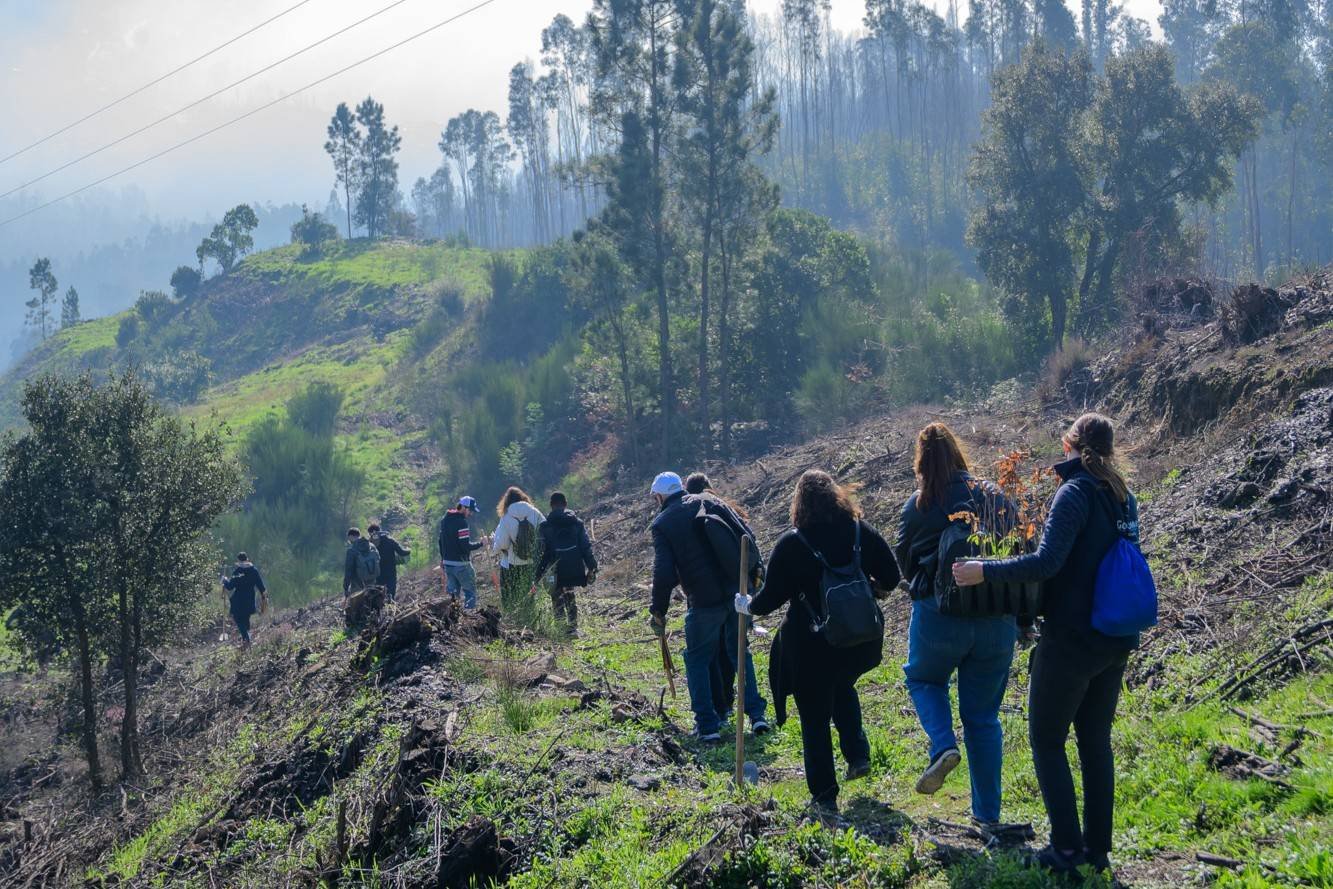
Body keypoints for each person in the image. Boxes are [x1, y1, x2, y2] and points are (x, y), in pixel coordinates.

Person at [953, 413, 1140, 877]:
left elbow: (1046, 562)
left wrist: (984, 571)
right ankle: (1097, 850)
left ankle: (1065, 849)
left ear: (1069, 443)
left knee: (1046, 739)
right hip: (1115, 636)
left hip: (1073, 638)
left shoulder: (1074, 492)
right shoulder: (1123, 495)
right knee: (1095, 741)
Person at [736, 470, 899, 819]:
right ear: (836, 495)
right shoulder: (859, 531)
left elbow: (769, 600)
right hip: (860, 641)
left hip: (812, 645)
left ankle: (824, 796)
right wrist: (869, 588)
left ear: (799, 504)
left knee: (813, 717)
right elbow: (892, 576)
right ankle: (858, 755)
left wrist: (746, 605)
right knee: (841, 685)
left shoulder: (794, 543)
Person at [894, 422, 1021, 826]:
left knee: (924, 680)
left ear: (921, 461)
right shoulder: (993, 495)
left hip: (939, 616)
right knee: (983, 718)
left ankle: (943, 746)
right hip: (995, 617)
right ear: (958, 453)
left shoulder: (918, 505)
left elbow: (904, 561)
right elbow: (1022, 549)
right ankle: (987, 816)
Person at [649, 471, 769, 742]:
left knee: (697, 660)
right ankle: (757, 715)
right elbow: (746, 536)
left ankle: (708, 725)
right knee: (740, 653)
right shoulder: (711, 501)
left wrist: (658, 609)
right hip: (737, 593)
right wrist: (754, 578)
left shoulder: (663, 523)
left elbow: (664, 572)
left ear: (659, 496)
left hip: (703, 603)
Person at [685, 471, 736, 723]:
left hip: (705, 596)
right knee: (728, 651)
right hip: (729, 591)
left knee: (709, 655)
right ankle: (726, 702)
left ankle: (718, 706)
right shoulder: (721, 509)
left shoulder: (688, 518)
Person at [532, 491, 597, 633]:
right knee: (570, 593)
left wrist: (537, 574)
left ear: (551, 505)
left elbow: (540, 553)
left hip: (555, 569)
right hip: (574, 568)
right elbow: (585, 546)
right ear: (565, 504)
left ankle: (561, 629)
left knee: (556, 598)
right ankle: (573, 628)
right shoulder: (577, 523)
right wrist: (592, 566)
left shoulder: (545, 527)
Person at [491, 486, 546, 612]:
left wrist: (495, 544)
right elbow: (545, 533)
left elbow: (503, 544)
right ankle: (529, 618)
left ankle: (512, 622)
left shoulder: (506, 516)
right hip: (531, 563)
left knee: (510, 596)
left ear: (506, 501)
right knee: (528, 594)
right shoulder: (535, 512)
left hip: (511, 564)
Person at [439, 496, 486, 609]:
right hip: (462, 565)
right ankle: (470, 619)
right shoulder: (462, 523)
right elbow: (465, 547)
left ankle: (453, 621)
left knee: (453, 597)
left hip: (448, 564)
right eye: (470, 510)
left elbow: (440, 541)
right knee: (470, 593)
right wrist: (481, 543)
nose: (471, 514)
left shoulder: (444, 520)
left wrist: (442, 559)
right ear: (464, 508)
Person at [221, 552, 266, 649]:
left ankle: (246, 640)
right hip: (249, 600)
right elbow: (261, 587)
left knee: (238, 619)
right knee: (246, 619)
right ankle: (247, 640)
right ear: (247, 559)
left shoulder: (238, 572)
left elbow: (229, 587)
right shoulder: (254, 571)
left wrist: (224, 580)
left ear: (238, 560)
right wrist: (264, 597)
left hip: (238, 601)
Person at [368, 523, 411, 603]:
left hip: (377, 573)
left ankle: (379, 612)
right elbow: (402, 552)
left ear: (370, 533)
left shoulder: (370, 544)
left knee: (378, 595)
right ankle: (391, 609)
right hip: (390, 571)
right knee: (390, 593)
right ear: (380, 530)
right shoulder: (390, 540)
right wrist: (409, 549)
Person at [343, 528, 378, 596]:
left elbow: (348, 570)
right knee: (371, 599)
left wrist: (346, 587)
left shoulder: (351, 550)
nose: (349, 540)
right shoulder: (371, 546)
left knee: (357, 604)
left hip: (357, 583)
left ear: (351, 536)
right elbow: (378, 559)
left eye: (349, 538)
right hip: (372, 579)